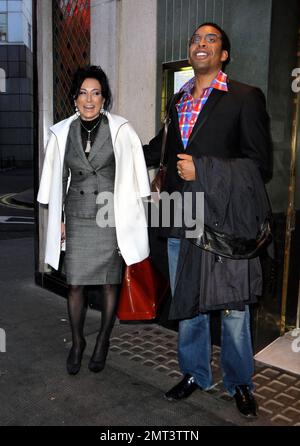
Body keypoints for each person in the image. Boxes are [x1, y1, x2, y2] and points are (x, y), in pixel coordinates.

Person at [143, 23, 272, 418]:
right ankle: (195, 374)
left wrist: (204, 169)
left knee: (234, 309)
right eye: (196, 40)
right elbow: (155, 151)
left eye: (210, 39)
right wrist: (111, 140)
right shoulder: (179, 101)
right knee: (190, 304)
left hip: (226, 220)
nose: (201, 44)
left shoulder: (244, 97)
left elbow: (261, 166)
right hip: (183, 217)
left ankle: (239, 383)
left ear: (224, 54)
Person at [37, 65, 150, 375]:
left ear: (104, 98)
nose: (89, 99)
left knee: (109, 283)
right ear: (75, 98)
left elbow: (135, 175)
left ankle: (102, 341)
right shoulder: (62, 133)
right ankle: (77, 342)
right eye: (83, 93)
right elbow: (57, 180)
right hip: (77, 216)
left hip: (111, 217)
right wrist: (59, 217)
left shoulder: (121, 129)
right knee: (74, 284)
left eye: (96, 93)